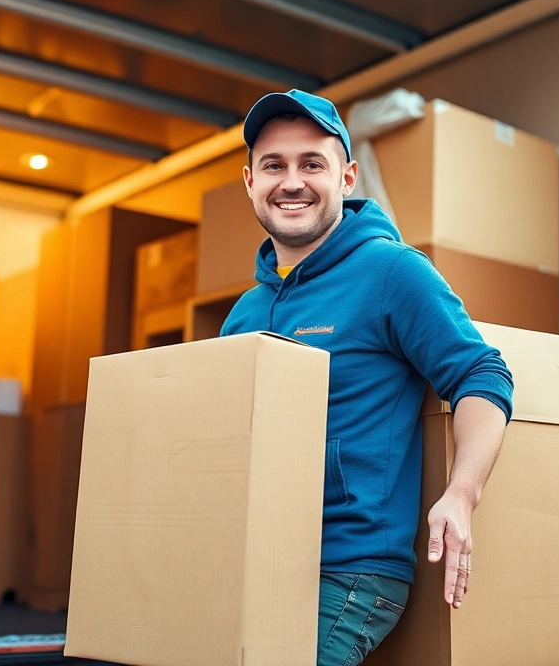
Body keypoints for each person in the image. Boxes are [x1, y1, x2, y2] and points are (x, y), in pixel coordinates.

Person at [219, 90, 514, 666]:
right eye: (275, 165)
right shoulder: (243, 314)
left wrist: (462, 493)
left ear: (348, 177)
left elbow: (482, 373)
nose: (292, 181)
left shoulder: (391, 271)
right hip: (252, 561)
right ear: (250, 180)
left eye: (313, 164)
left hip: (348, 569)